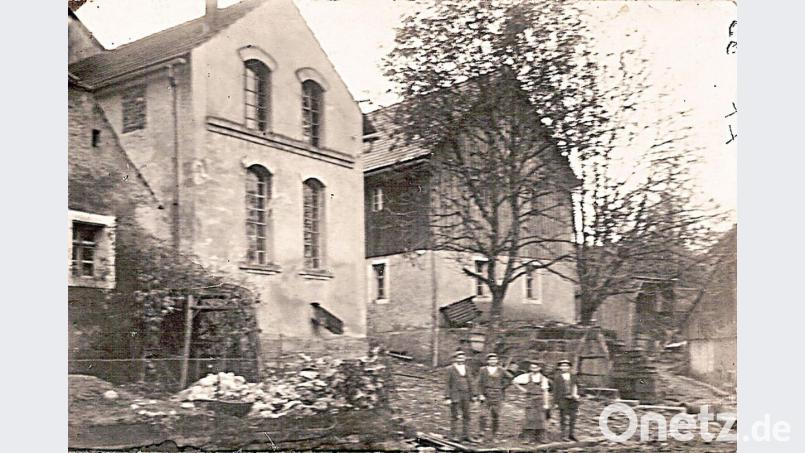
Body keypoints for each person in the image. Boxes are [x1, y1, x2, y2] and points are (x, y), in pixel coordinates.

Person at [512, 359, 551, 443]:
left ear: (539, 368)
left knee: (541, 418)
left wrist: (546, 404)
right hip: (530, 399)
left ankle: (541, 437)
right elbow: (514, 381)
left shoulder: (543, 379)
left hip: (540, 400)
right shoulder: (526, 376)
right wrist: (523, 390)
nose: (533, 369)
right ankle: (527, 437)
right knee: (529, 418)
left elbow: (545, 391)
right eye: (532, 367)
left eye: (535, 367)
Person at [476, 353, 510, 441]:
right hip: (486, 394)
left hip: (497, 395)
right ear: (487, 361)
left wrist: (502, 386)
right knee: (483, 415)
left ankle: (494, 435)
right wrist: (480, 394)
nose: (493, 361)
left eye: (494, 359)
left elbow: (509, 378)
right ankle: (481, 434)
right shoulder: (483, 370)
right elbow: (479, 383)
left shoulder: (501, 370)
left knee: (495, 415)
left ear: (497, 360)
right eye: (491, 359)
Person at [445, 350, 474, 442]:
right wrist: (447, 397)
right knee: (455, 416)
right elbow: (447, 384)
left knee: (467, 415)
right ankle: (454, 435)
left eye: (462, 358)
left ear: (465, 359)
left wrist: (473, 395)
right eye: (459, 358)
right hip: (455, 395)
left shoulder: (467, 368)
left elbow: (471, 382)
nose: (461, 359)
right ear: (455, 359)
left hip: (466, 394)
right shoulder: (450, 369)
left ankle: (466, 435)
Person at [553, 359, 580, 441]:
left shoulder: (573, 376)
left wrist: (577, 395)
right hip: (562, 400)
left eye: (566, 366)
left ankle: (571, 434)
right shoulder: (557, 378)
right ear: (560, 367)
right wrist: (556, 402)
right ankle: (564, 435)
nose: (564, 367)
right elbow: (555, 391)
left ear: (569, 367)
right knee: (563, 418)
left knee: (573, 417)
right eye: (563, 366)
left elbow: (578, 386)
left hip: (573, 400)